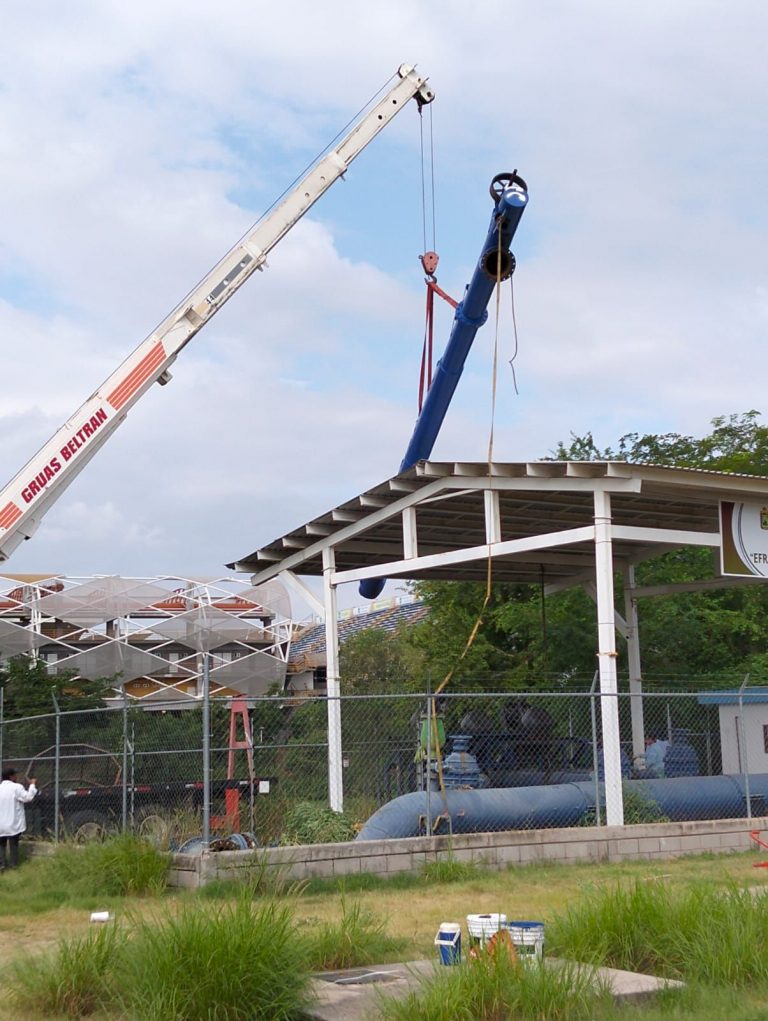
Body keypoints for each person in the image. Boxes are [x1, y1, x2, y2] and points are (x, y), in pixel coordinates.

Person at [0, 767, 37, 869]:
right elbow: (28, 797)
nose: (17, 776)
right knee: (13, 845)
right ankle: (13, 865)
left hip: (0, 824)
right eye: (15, 775)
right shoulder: (16, 787)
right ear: (11, 777)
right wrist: (32, 785)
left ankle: (2, 865)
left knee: (1, 845)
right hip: (12, 823)